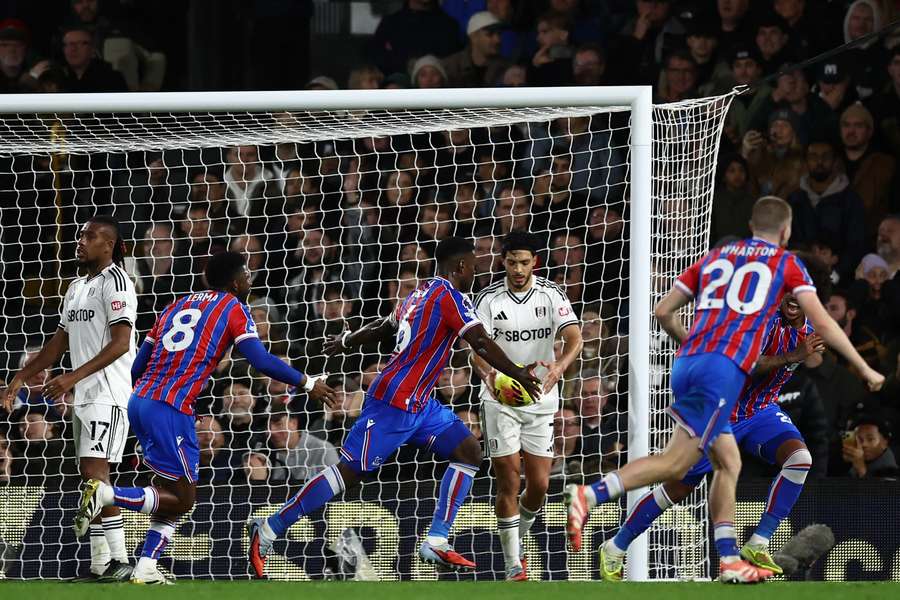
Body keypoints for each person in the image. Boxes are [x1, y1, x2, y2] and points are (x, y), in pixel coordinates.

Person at [564, 196, 883, 583]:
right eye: (790, 295)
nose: (792, 301)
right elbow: (752, 363)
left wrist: (805, 354)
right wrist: (854, 366)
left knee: (792, 459)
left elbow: (665, 311)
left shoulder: (728, 266)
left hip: (755, 407)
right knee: (677, 477)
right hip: (725, 397)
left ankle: (749, 548)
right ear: (785, 233)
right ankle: (608, 526)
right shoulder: (766, 302)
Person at [246, 237, 541, 577]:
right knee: (348, 472)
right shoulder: (449, 295)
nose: (476, 273)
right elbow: (480, 342)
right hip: (395, 401)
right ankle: (270, 527)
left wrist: (347, 340)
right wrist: (517, 372)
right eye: (474, 266)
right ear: (461, 266)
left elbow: (383, 325)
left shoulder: (420, 293)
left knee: (468, 451)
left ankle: (436, 539)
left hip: (421, 404)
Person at [70, 251, 335, 585]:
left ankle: (146, 567)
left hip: (141, 401)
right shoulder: (233, 307)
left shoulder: (174, 305)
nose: (250, 280)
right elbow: (260, 360)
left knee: (169, 492)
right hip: (171, 407)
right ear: (235, 281)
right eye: (247, 275)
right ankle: (107, 495)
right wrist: (307, 383)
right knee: (184, 498)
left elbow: (137, 365)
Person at [597, 292, 825, 580]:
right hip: (720, 409)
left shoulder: (812, 329)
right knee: (678, 487)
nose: (791, 298)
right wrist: (793, 356)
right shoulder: (761, 320)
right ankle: (615, 547)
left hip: (760, 411)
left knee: (800, 459)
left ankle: (758, 543)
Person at [2, 215, 136, 582]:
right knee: (89, 477)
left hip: (108, 392)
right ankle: (100, 565)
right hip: (84, 395)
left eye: (89, 236)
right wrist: (19, 378)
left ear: (108, 245)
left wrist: (72, 377)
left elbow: (121, 343)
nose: (80, 241)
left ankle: (120, 560)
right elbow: (57, 344)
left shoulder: (118, 282)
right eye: (80, 235)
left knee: (96, 474)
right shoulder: (76, 286)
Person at [469, 231, 583, 580]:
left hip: (541, 398)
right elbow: (477, 350)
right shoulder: (488, 299)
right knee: (508, 481)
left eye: (524, 262)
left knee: (540, 486)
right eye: (511, 262)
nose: (518, 269)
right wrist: (489, 375)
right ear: (502, 262)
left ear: (535, 262)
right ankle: (513, 565)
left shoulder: (551, 294)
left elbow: (575, 337)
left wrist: (559, 367)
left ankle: (516, 538)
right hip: (499, 400)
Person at [442, 11, 510, 88]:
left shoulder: (507, 68)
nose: (498, 40)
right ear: (474, 37)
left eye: (499, 34)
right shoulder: (450, 67)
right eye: (490, 34)